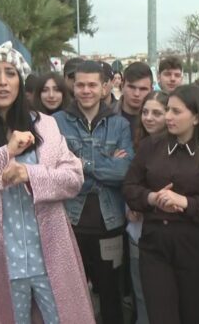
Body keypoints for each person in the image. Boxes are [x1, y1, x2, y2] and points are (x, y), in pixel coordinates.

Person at [0, 42, 94, 324]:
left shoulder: (45, 125)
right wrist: (6, 154)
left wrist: (30, 174)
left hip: (50, 254)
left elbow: (74, 178)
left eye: (10, 73)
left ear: (20, 81)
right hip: (0, 257)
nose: (2, 82)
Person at [123, 84, 199, 324]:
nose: (168, 117)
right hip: (155, 247)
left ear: (197, 117)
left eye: (176, 111)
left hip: (197, 251)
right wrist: (152, 198)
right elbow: (130, 187)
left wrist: (186, 202)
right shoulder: (152, 146)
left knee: (192, 316)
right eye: (168, 110)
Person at [53, 60, 134, 324]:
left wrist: (80, 163)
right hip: (69, 224)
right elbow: (57, 174)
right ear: (72, 87)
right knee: (69, 297)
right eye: (80, 85)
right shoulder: (56, 123)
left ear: (104, 87)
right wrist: (104, 165)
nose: (86, 90)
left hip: (109, 226)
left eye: (92, 85)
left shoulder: (120, 125)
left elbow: (123, 172)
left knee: (111, 295)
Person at [126, 90, 169, 324]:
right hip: (136, 233)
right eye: (145, 112)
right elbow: (128, 184)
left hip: (165, 233)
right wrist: (133, 202)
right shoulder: (137, 143)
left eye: (157, 113)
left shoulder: (178, 149)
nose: (149, 118)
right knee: (142, 296)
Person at [113, 61, 154, 136]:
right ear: (122, 86)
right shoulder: (105, 118)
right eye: (131, 87)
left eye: (143, 89)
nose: (136, 94)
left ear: (151, 90)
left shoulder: (161, 121)